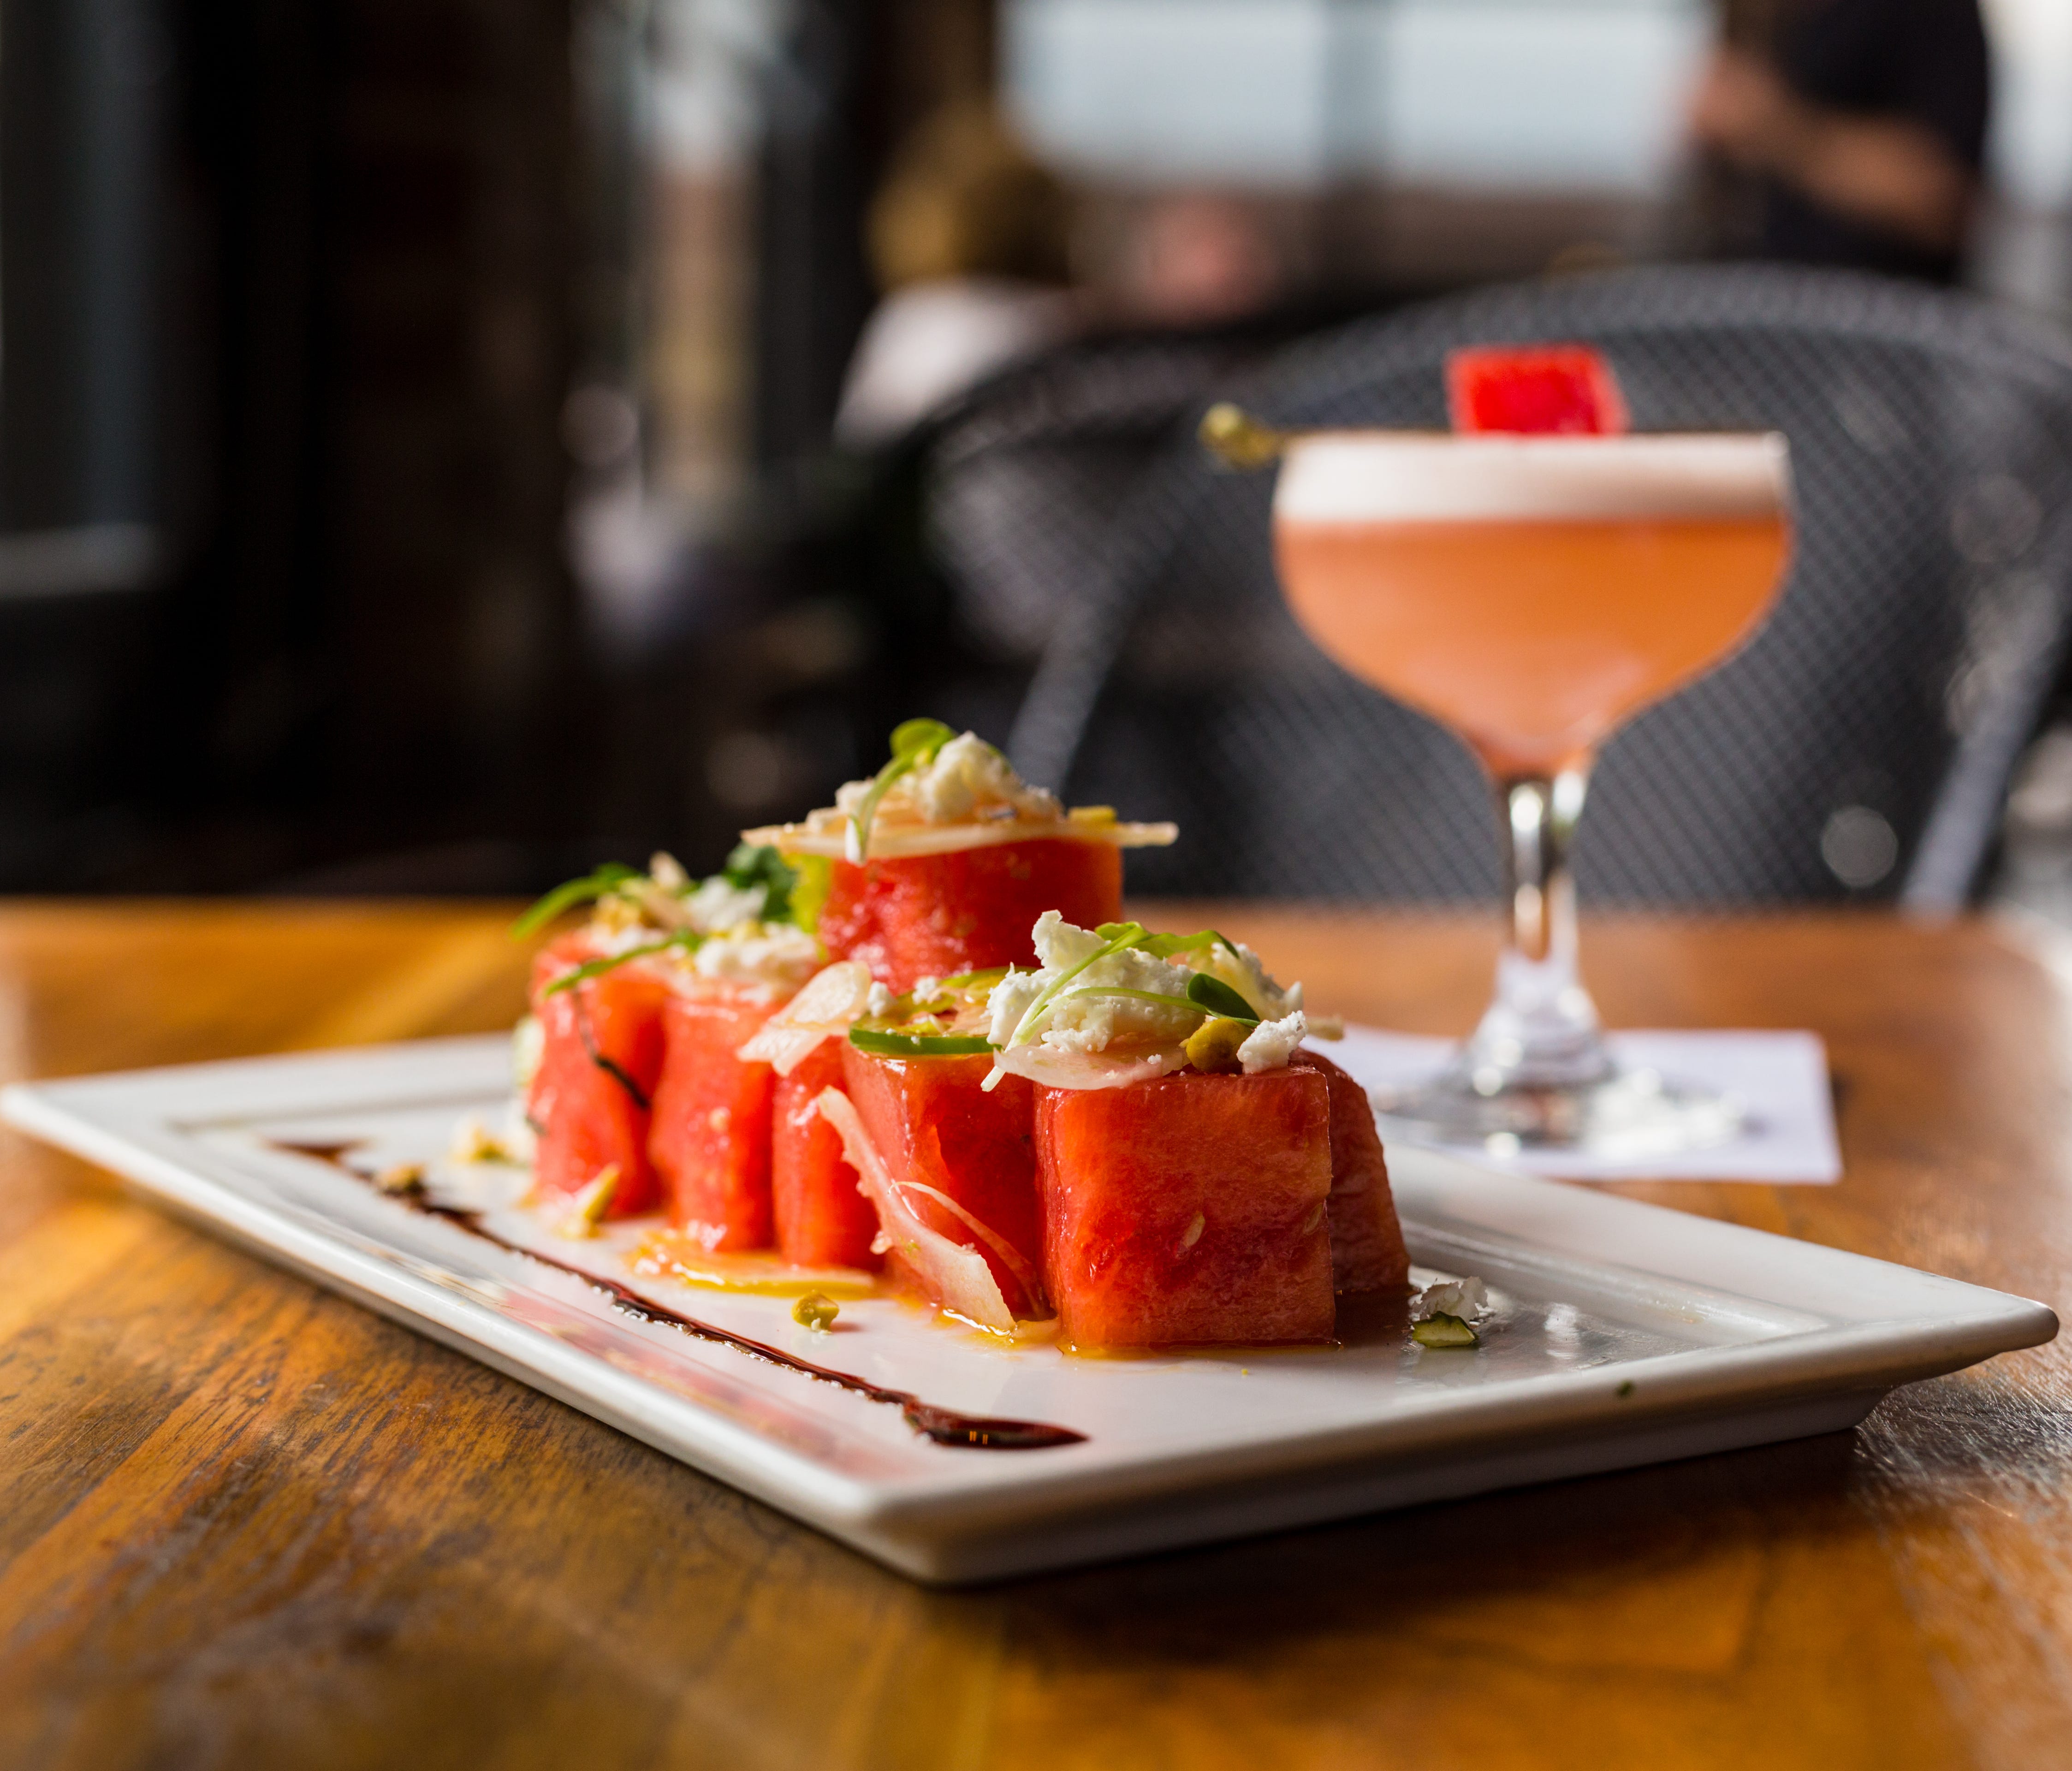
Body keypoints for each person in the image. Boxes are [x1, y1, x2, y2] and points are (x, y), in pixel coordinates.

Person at [1687, 0, 1991, 284]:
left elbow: (1939, 202)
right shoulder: (1775, 20)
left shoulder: (1934, 12)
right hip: (1759, 299)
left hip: (1877, 319)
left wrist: (1775, 127)